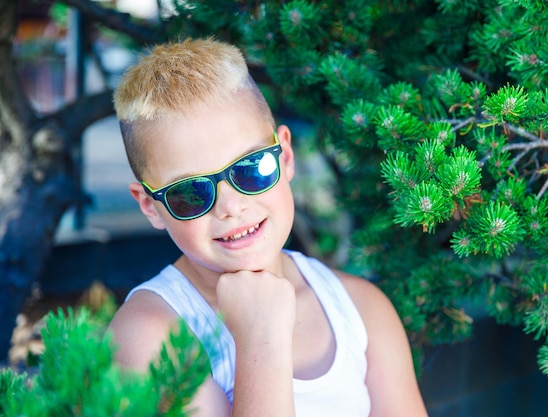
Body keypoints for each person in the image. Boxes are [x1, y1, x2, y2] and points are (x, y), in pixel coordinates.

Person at [108, 37, 429, 417]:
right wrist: (261, 340)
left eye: (251, 169)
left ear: (286, 156)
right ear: (151, 207)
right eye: (191, 192)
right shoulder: (150, 339)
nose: (231, 207)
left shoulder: (360, 309)